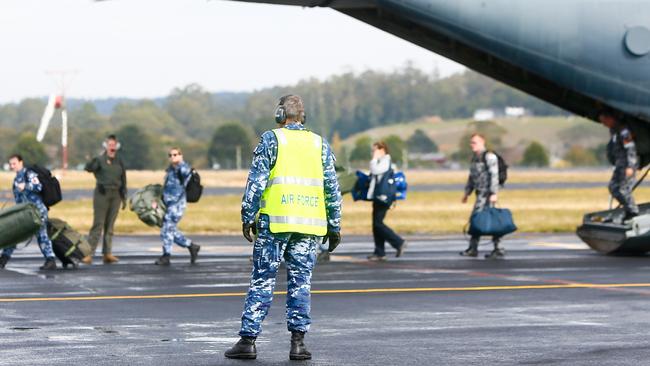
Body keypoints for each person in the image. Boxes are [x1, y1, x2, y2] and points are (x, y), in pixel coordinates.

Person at [225, 94, 342, 361]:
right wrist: (334, 226)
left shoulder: (272, 139)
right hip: (309, 226)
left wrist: (248, 216)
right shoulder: (319, 144)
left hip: (275, 224)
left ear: (280, 115)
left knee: (263, 280)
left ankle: (248, 340)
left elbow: (256, 182)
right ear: (303, 116)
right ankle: (298, 344)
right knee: (301, 283)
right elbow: (332, 189)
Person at [1, 154, 57, 270]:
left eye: (14, 163)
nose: (12, 166)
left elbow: (38, 186)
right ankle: (3, 259)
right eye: (11, 164)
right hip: (25, 213)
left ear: (21, 162)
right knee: (14, 233)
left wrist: (25, 186)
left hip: (37, 211)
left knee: (42, 235)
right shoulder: (16, 178)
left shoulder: (29, 174)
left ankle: (50, 260)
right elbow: (18, 200)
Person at [82, 134, 126, 265]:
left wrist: (123, 196)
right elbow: (88, 168)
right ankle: (89, 253)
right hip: (102, 194)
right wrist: (94, 158)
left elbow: (123, 179)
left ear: (117, 146)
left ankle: (107, 253)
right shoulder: (100, 160)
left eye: (114, 144)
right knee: (98, 224)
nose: (111, 147)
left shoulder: (119, 161)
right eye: (109, 144)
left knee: (110, 226)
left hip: (116, 194)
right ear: (105, 146)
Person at [154, 147, 200, 265]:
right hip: (168, 204)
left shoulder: (183, 169)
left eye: (175, 155)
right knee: (169, 229)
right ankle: (191, 246)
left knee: (167, 228)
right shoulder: (170, 170)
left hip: (177, 204)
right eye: (170, 155)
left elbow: (187, 182)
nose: (172, 157)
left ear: (181, 156)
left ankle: (166, 255)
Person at [461, 133, 503, 259]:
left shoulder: (489, 157)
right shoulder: (475, 158)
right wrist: (467, 192)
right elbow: (472, 176)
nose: (472, 145)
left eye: (475, 142)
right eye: (471, 142)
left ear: (482, 142)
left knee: (489, 221)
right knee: (477, 220)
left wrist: (494, 193)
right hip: (479, 194)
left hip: (488, 195)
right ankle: (474, 248)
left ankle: (497, 248)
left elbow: (494, 175)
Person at [366, 141, 407, 261]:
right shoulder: (383, 161)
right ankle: (379, 252)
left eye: (374, 150)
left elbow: (375, 170)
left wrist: (374, 158)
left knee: (378, 224)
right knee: (376, 225)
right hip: (378, 196)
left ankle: (398, 242)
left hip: (383, 197)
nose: (373, 152)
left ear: (382, 150)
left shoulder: (385, 160)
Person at [599, 109, 639, 221]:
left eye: (604, 121)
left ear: (610, 118)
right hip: (620, 165)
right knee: (613, 187)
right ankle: (629, 211)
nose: (603, 124)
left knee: (622, 189)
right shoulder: (614, 131)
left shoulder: (624, 131)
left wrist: (631, 166)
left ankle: (632, 212)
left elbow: (630, 148)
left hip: (626, 166)